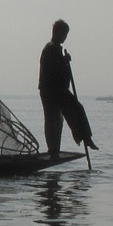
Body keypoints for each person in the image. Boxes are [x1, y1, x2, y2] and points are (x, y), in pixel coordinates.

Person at [38, 19, 96, 156]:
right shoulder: (51, 48)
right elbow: (54, 69)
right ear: (56, 33)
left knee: (73, 111)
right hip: (52, 90)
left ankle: (85, 138)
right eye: (63, 34)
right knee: (54, 119)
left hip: (57, 90)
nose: (65, 37)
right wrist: (64, 61)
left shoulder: (55, 48)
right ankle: (54, 149)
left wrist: (64, 62)